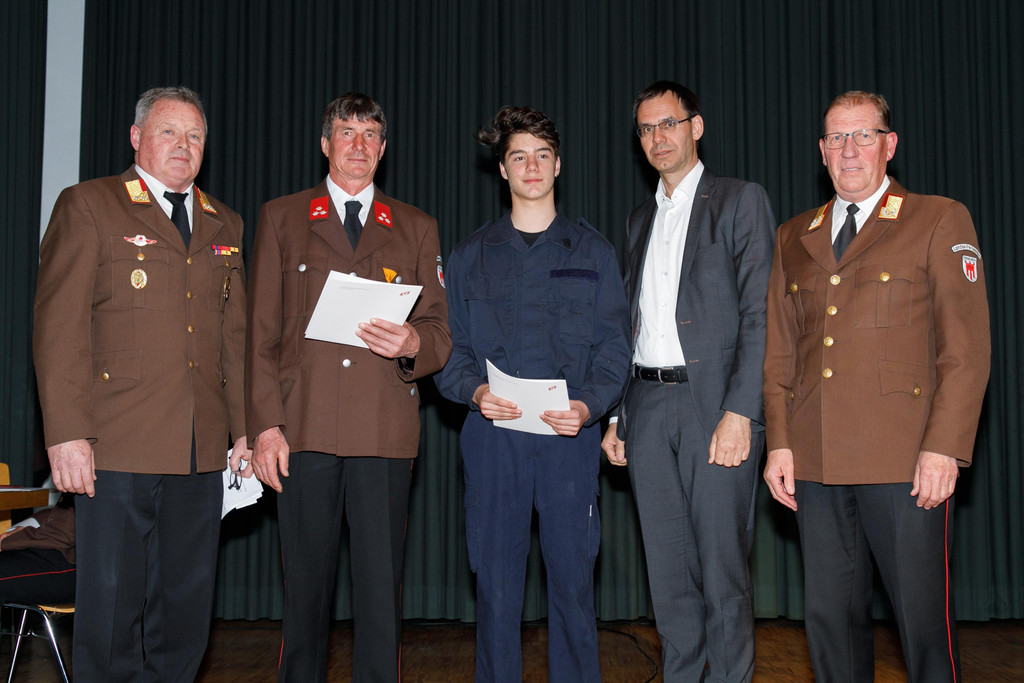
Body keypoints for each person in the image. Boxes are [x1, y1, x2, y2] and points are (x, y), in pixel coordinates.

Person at [762, 91, 991, 682]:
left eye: (863, 135)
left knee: (922, 624)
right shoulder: (795, 235)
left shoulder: (937, 218)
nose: (849, 150)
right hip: (816, 459)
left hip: (904, 459)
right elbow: (781, 354)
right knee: (830, 624)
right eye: (837, 138)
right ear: (822, 151)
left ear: (889, 145)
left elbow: (965, 350)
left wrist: (945, 448)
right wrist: (779, 443)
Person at [33, 86, 249, 681]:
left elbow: (234, 341)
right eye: (168, 132)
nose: (184, 145)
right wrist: (66, 434)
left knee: (184, 616)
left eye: (195, 135)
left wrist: (244, 432)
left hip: (199, 451)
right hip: (115, 447)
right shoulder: (90, 204)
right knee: (111, 617)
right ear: (136, 137)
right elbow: (58, 327)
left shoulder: (224, 222)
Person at [245, 92, 451, 682]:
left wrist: (412, 342)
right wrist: (264, 427)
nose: (358, 145)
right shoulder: (282, 218)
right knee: (304, 595)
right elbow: (258, 336)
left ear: (383, 150)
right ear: (325, 143)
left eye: (370, 135)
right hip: (303, 429)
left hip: (383, 432)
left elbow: (440, 333)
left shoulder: (416, 226)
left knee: (381, 598)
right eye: (346, 132)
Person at [436, 106, 631, 682]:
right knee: (496, 588)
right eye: (518, 156)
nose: (531, 166)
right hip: (494, 439)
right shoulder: (470, 256)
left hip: (568, 439)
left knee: (573, 585)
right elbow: (450, 351)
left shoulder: (593, 252)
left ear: (558, 165)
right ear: (502, 169)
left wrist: (589, 406)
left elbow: (615, 348)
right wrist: (474, 391)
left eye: (542, 155)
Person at [600, 81, 776, 682]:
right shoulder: (638, 219)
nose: (658, 137)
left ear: (695, 127)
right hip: (647, 408)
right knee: (669, 579)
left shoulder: (740, 200)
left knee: (722, 575)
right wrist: (619, 416)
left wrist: (741, 412)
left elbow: (760, 315)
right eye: (647, 128)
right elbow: (633, 324)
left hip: (714, 410)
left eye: (669, 123)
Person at [0, 496, 76, 605]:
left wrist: (8, 541)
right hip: (60, 549)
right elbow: (62, 513)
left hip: (78, 565)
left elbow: (61, 536)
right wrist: (21, 527)